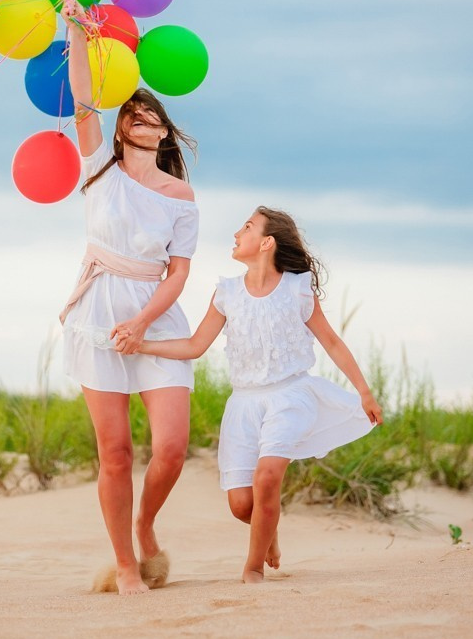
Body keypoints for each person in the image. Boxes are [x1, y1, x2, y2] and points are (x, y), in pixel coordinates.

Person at [118, 207, 383, 584]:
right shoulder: (226, 293)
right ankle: (268, 533)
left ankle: (253, 568)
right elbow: (195, 345)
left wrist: (364, 392)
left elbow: (332, 342)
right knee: (242, 505)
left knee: (268, 476)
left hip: (291, 396)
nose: (236, 232)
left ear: (266, 242)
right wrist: (142, 345)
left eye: (246, 227)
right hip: (244, 404)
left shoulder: (296, 289)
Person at [57, 0, 199, 596]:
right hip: (98, 315)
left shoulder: (180, 197)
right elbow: (85, 93)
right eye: (131, 114)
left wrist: (143, 322)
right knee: (114, 452)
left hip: (155, 316)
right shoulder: (98, 168)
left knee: (170, 448)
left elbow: (178, 272)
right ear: (119, 127)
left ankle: (145, 522)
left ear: (163, 128)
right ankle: (122, 563)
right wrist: (77, 32)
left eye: (150, 115)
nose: (141, 120)